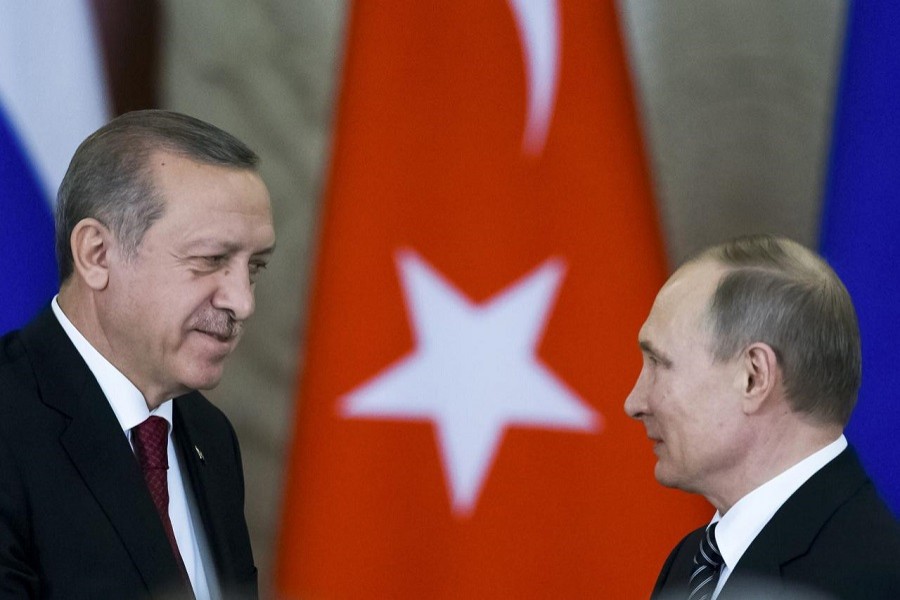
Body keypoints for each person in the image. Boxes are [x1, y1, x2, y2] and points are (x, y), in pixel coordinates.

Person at [0, 110, 276, 599]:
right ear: (97, 255)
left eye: (252, 267)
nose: (242, 301)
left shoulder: (210, 436)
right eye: (210, 260)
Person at [624, 234, 900, 599]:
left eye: (660, 363)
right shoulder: (690, 562)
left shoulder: (872, 580)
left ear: (754, 376)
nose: (634, 403)